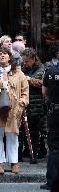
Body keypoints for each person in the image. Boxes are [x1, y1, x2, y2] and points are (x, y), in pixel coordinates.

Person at [20, 48, 45, 164]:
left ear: (34, 59)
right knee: (23, 130)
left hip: (36, 104)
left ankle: (33, 153)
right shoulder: (22, 68)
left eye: (27, 61)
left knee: (34, 131)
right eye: (24, 61)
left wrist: (30, 80)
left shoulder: (41, 69)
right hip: (24, 103)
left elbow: (43, 83)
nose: (25, 63)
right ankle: (25, 150)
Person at [40, 42, 59, 191]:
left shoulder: (50, 71)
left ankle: (52, 181)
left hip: (55, 112)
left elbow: (44, 93)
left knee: (54, 147)